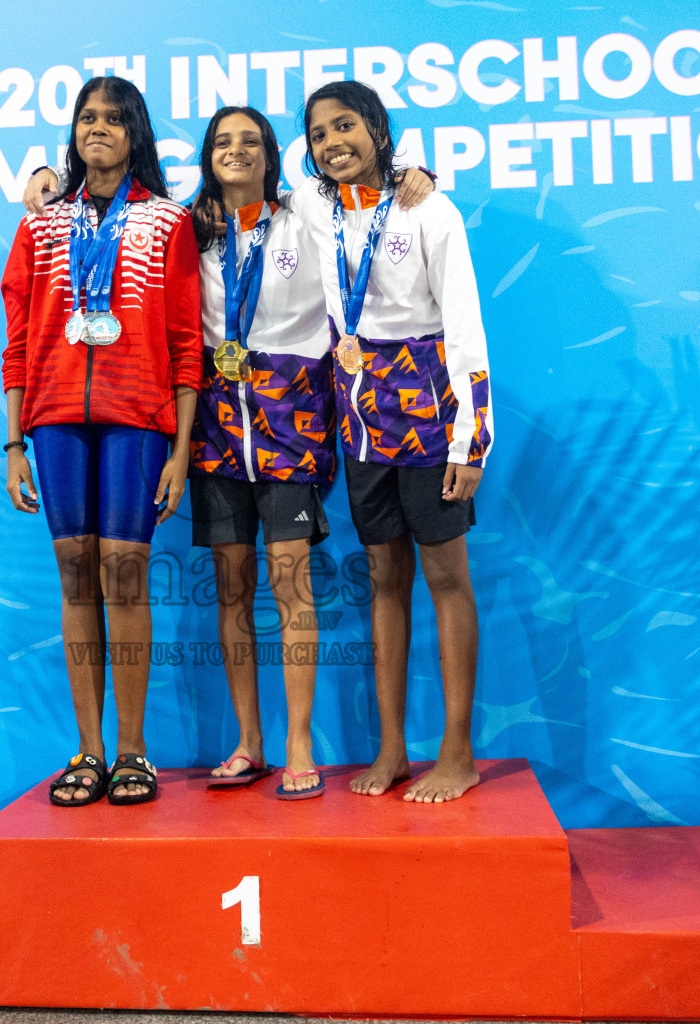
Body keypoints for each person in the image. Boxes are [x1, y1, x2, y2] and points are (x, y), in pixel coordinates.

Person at [23, 108, 432, 800]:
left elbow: (362, 187)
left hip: (289, 422)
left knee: (291, 583)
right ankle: (251, 743)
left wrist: (413, 176)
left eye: (250, 141)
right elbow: (101, 203)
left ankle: (300, 744)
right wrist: (44, 177)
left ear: (273, 155)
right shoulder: (191, 227)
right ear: (206, 157)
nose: (235, 151)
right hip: (216, 427)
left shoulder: (306, 211)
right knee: (232, 586)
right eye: (222, 142)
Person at [0, 76, 201, 807]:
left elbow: (186, 341)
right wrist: (15, 443)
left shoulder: (169, 222)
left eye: (115, 119)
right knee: (76, 574)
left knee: (123, 575)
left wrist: (179, 451)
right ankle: (88, 751)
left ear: (135, 134)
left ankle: (135, 752)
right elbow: (17, 341)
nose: (99, 129)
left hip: (137, 418)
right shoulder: (40, 224)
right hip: (54, 420)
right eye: (87, 117)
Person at [299, 80, 492, 803]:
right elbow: (277, 173)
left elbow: (466, 327)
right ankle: (391, 748)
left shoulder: (429, 210)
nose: (331, 143)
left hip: (433, 414)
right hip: (360, 417)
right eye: (320, 134)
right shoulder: (319, 210)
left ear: (378, 129)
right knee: (384, 580)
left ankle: (458, 752)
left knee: (446, 579)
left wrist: (471, 444)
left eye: (346, 127)